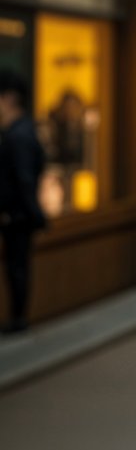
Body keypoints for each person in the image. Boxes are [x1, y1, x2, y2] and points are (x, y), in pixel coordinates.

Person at [0, 69, 46, 335]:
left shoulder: (19, 136)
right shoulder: (19, 132)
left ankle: (18, 319)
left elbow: (25, 178)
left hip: (16, 216)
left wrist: (33, 213)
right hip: (17, 213)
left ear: (9, 99)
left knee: (17, 267)